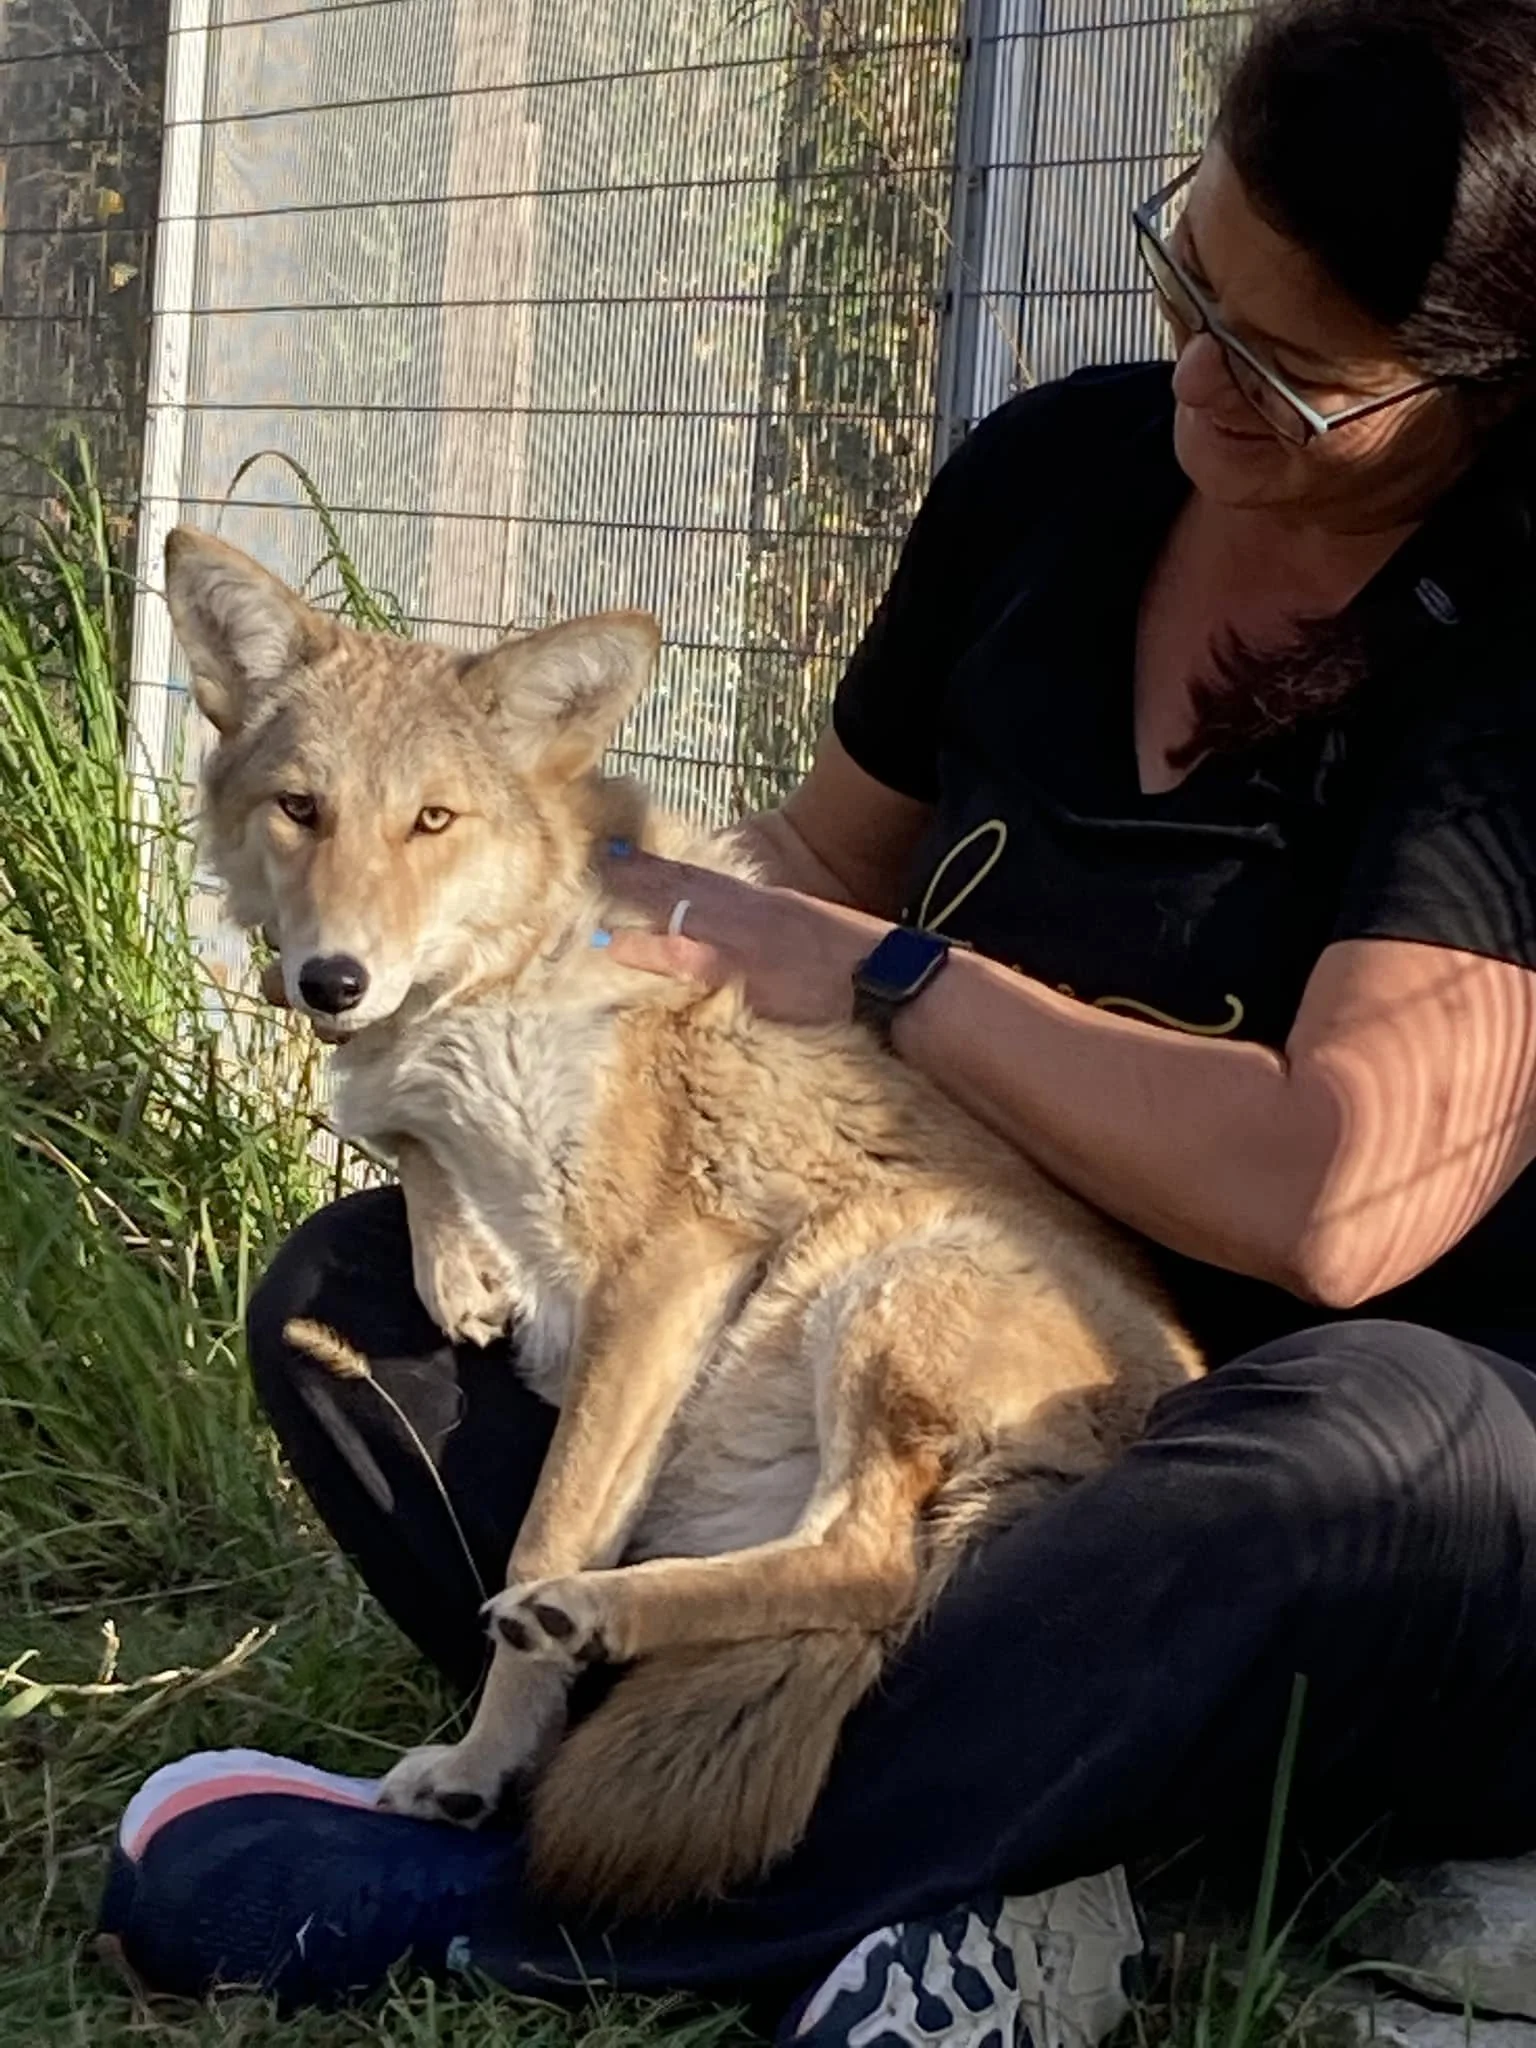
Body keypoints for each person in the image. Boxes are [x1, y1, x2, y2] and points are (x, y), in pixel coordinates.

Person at [101, 0, 1536, 2037]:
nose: (1199, 379)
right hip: (900, 1360)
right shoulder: (1058, 476)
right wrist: (493, 960)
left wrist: (904, 982)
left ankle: (550, 1909)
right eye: (1190, 275)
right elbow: (793, 869)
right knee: (357, 1302)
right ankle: (895, 1826)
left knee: (1351, 1436)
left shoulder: (1511, 647)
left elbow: (1343, 1198)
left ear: (1487, 384)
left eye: (1293, 374)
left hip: (1323, 1481)